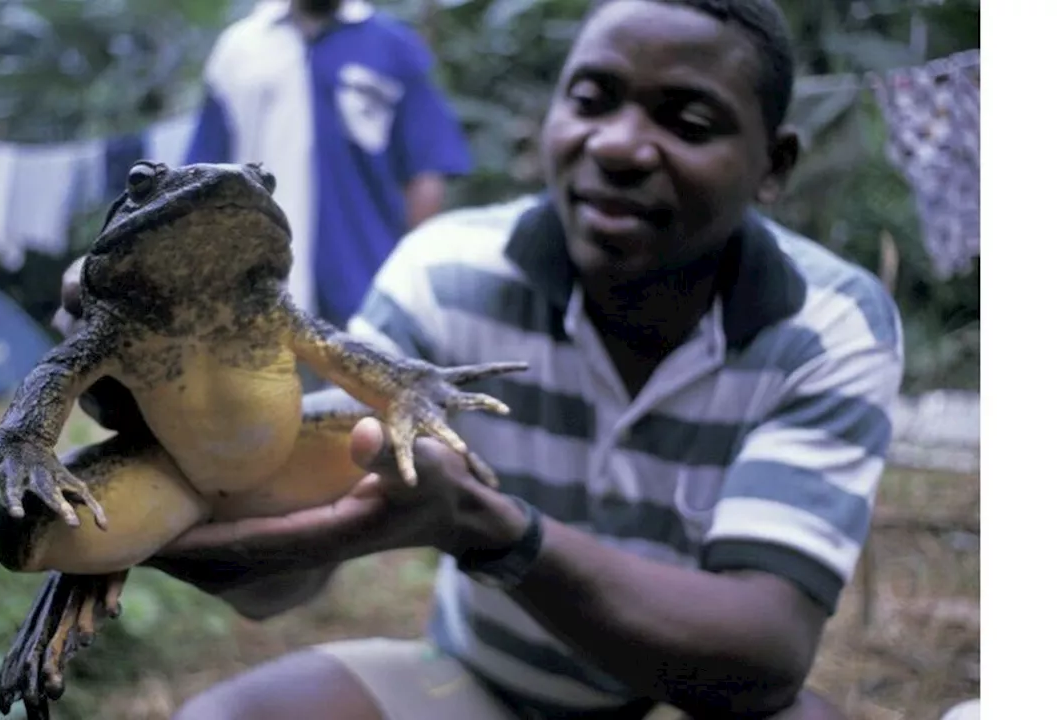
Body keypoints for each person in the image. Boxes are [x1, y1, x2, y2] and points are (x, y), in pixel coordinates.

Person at [60, 0, 904, 717]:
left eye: (686, 122)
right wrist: (194, 474)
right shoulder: (443, 272)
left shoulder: (830, 323)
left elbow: (764, 652)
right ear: (550, 118)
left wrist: (493, 532)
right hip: (481, 686)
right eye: (592, 98)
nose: (618, 144)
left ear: (774, 165)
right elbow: (291, 570)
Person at [183, 0, 473, 331]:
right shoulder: (239, 49)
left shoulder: (392, 45)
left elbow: (427, 172)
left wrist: (410, 279)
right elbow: (202, 180)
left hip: (368, 290)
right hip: (255, 292)